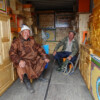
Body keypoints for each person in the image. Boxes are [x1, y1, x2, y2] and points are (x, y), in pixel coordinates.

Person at [9, 25, 50, 93]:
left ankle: (40, 77)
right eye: (25, 32)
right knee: (21, 67)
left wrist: (45, 57)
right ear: (21, 33)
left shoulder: (32, 40)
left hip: (34, 59)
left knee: (42, 60)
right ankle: (28, 84)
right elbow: (12, 53)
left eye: (28, 32)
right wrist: (19, 61)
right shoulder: (16, 41)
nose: (26, 34)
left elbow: (40, 49)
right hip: (24, 60)